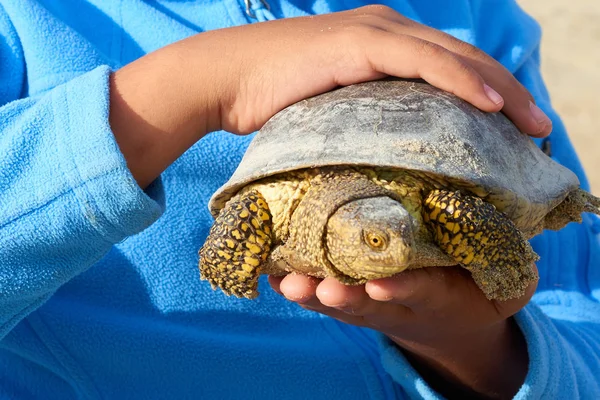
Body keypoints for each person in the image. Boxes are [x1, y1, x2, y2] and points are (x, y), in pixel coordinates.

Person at [0, 0, 598, 398]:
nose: (389, 245)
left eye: (390, 231)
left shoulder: (470, 18)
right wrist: (189, 88)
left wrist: (473, 347)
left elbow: (578, 312)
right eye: (372, 239)